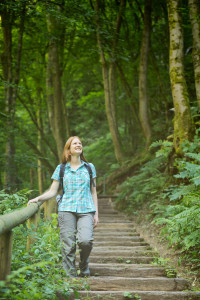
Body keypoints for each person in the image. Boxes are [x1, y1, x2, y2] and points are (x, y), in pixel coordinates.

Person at [28, 136, 99, 278]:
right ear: (69, 149)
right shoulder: (61, 169)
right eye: (75, 143)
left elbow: (93, 192)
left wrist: (96, 214)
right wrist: (38, 198)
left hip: (86, 209)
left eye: (80, 143)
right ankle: (70, 277)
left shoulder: (89, 168)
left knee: (86, 241)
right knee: (68, 244)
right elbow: (53, 191)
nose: (79, 145)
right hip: (66, 209)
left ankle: (84, 264)